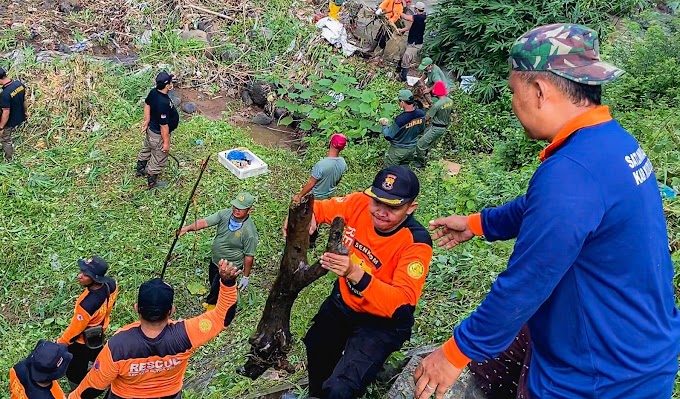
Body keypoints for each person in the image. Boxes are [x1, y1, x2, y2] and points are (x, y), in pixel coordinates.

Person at [415, 23, 680, 399]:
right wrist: (478, 224)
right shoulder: (611, 143)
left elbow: (528, 280)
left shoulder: (571, 174)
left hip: (600, 378)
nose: (512, 103)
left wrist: (455, 353)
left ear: (538, 90)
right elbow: (543, 210)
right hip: (638, 347)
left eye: (513, 91)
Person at [283, 165, 433, 398]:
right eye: (377, 202)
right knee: (316, 345)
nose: (381, 211)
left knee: (342, 387)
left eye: (393, 207)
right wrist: (307, 219)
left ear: (410, 208)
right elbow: (320, 208)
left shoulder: (415, 243)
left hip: (381, 322)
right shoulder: (359, 203)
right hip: (344, 301)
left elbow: (402, 303)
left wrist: (355, 273)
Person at [69, 260, 240, 399]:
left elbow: (93, 386)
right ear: (171, 311)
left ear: (137, 309)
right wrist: (227, 282)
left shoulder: (119, 345)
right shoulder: (185, 334)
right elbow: (222, 317)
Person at [177, 192, 258, 308]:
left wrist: (246, 276)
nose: (236, 210)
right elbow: (204, 222)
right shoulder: (224, 214)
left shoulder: (249, 231)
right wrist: (187, 228)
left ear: (249, 210)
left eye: (241, 209)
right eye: (235, 206)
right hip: (215, 260)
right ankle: (217, 300)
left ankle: (212, 307)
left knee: (217, 286)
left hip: (230, 266)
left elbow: (249, 256)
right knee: (213, 280)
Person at [56, 256, 118, 399]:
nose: (80, 276)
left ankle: (78, 391)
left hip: (81, 342)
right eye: (81, 271)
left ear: (95, 279)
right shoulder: (111, 284)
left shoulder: (86, 304)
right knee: (98, 357)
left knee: (74, 370)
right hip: (99, 333)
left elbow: (75, 330)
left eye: (85, 275)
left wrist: (61, 343)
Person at [294, 134, 348, 246]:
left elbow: (311, 184)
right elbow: (338, 180)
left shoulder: (321, 165)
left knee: (310, 219)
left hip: (316, 197)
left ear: (331, 144)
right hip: (329, 196)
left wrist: (300, 195)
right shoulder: (342, 163)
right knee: (318, 220)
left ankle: (307, 241)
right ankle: (312, 242)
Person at [135, 71, 180, 189]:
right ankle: (152, 181)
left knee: (147, 148)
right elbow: (164, 126)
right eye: (170, 82)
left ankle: (140, 169)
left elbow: (147, 104)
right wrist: (166, 143)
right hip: (158, 135)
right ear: (167, 86)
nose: (171, 83)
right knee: (159, 156)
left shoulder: (154, 92)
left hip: (151, 131)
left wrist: (147, 120)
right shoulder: (163, 103)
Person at [380, 89, 425, 167]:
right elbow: (421, 129)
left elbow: (388, 136)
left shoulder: (400, 119)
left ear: (402, 102)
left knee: (390, 172)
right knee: (403, 171)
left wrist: (384, 126)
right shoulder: (421, 114)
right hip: (412, 149)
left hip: (398, 150)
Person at [414, 81, 453, 168]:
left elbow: (427, 117)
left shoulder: (437, 105)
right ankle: (426, 153)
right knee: (423, 136)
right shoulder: (450, 101)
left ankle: (421, 164)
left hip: (436, 128)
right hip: (443, 126)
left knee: (419, 145)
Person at [0, 65, 29, 162]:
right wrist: (25, 112)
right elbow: (24, 100)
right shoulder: (19, 84)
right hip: (20, 116)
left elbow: (6, 112)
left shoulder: (4, 95)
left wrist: (1, 127)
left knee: (5, 139)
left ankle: (9, 159)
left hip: (10, 121)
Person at [397, 2, 426, 82]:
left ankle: (402, 78)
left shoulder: (419, 17)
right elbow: (412, 26)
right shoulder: (421, 17)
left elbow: (406, 17)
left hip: (415, 44)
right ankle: (398, 70)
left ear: (416, 9)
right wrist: (402, 30)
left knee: (406, 58)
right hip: (411, 41)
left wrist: (396, 11)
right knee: (402, 53)